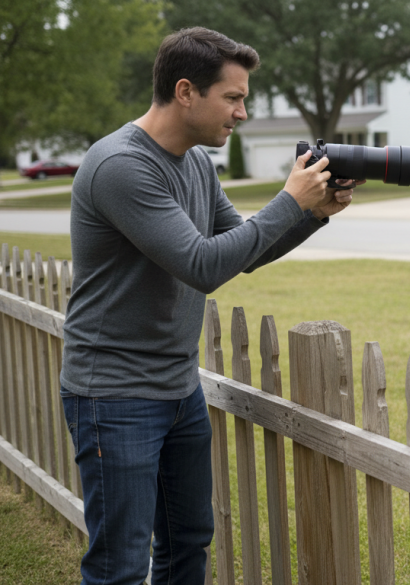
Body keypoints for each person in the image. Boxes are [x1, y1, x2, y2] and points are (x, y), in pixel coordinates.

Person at [59, 27, 357, 585]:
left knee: (187, 543)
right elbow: (203, 265)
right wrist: (289, 199)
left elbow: (240, 251)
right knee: (120, 565)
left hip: (177, 388)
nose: (243, 112)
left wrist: (314, 215)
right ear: (186, 91)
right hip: (114, 394)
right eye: (234, 97)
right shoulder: (121, 166)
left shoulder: (195, 161)